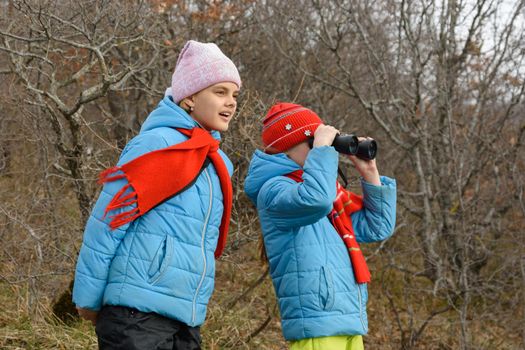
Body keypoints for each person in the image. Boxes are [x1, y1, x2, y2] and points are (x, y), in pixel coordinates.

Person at [72, 40, 241, 350]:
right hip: (136, 313)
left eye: (234, 95)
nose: (230, 103)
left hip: (185, 316)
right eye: (220, 92)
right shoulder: (157, 144)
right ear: (190, 97)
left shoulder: (218, 162)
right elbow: (108, 221)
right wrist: (87, 297)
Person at [244, 102, 397, 350]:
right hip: (318, 320)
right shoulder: (273, 190)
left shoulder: (329, 196)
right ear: (287, 148)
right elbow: (315, 200)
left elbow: (377, 227)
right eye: (313, 142)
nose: (322, 149)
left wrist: (370, 172)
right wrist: (323, 150)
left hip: (347, 316)